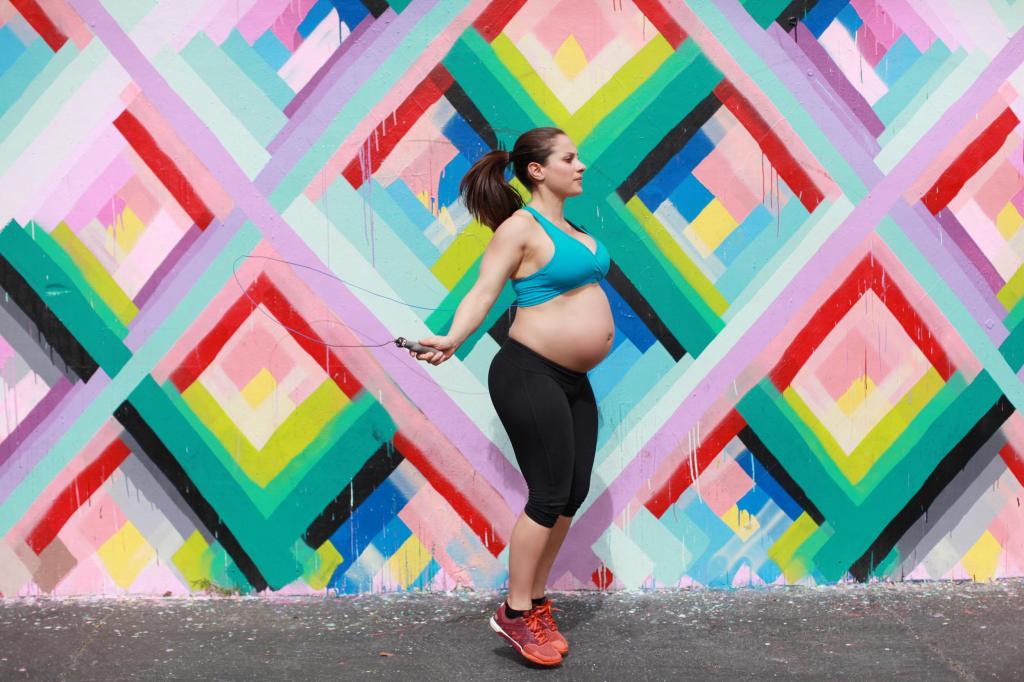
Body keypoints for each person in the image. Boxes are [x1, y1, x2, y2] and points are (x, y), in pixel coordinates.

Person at [408, 127, 613, 666]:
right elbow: (484, 291)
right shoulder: (520, 229)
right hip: (529, 373)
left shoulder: (574, 227)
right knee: (547, 496)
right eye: (570, 158)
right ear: (537, 171)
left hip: (573, 380)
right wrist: (452, 338)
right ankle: (516, 613)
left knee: (572, 493)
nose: (581, 165)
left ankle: (537, 601)